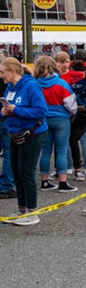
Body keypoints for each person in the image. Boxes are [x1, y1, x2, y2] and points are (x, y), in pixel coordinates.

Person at [0, 57, 48, 226]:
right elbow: (6, 110)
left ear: (12, 71)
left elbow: (41, 110)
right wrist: (4, 113)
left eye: (2, 72)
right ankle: (22, 210)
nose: (1, 76)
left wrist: (17, 110)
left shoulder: (31, 86)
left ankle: (33, 212)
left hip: (32, 133)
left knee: (26, 173)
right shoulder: (9, 88)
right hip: (14, 133)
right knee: (17, 172)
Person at [34, 56, 78, 193]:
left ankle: (44, 181)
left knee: (45, 151)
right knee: (61, 151)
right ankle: (63, 182)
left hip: (44, 119)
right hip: (61, 119)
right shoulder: (61, 83)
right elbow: (71, 105)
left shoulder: (35, 84)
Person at [0, 51, 15, 199]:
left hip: (3, 117)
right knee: (9, 153)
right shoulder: (7, 81)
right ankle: (5, 185)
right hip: (4, 119)